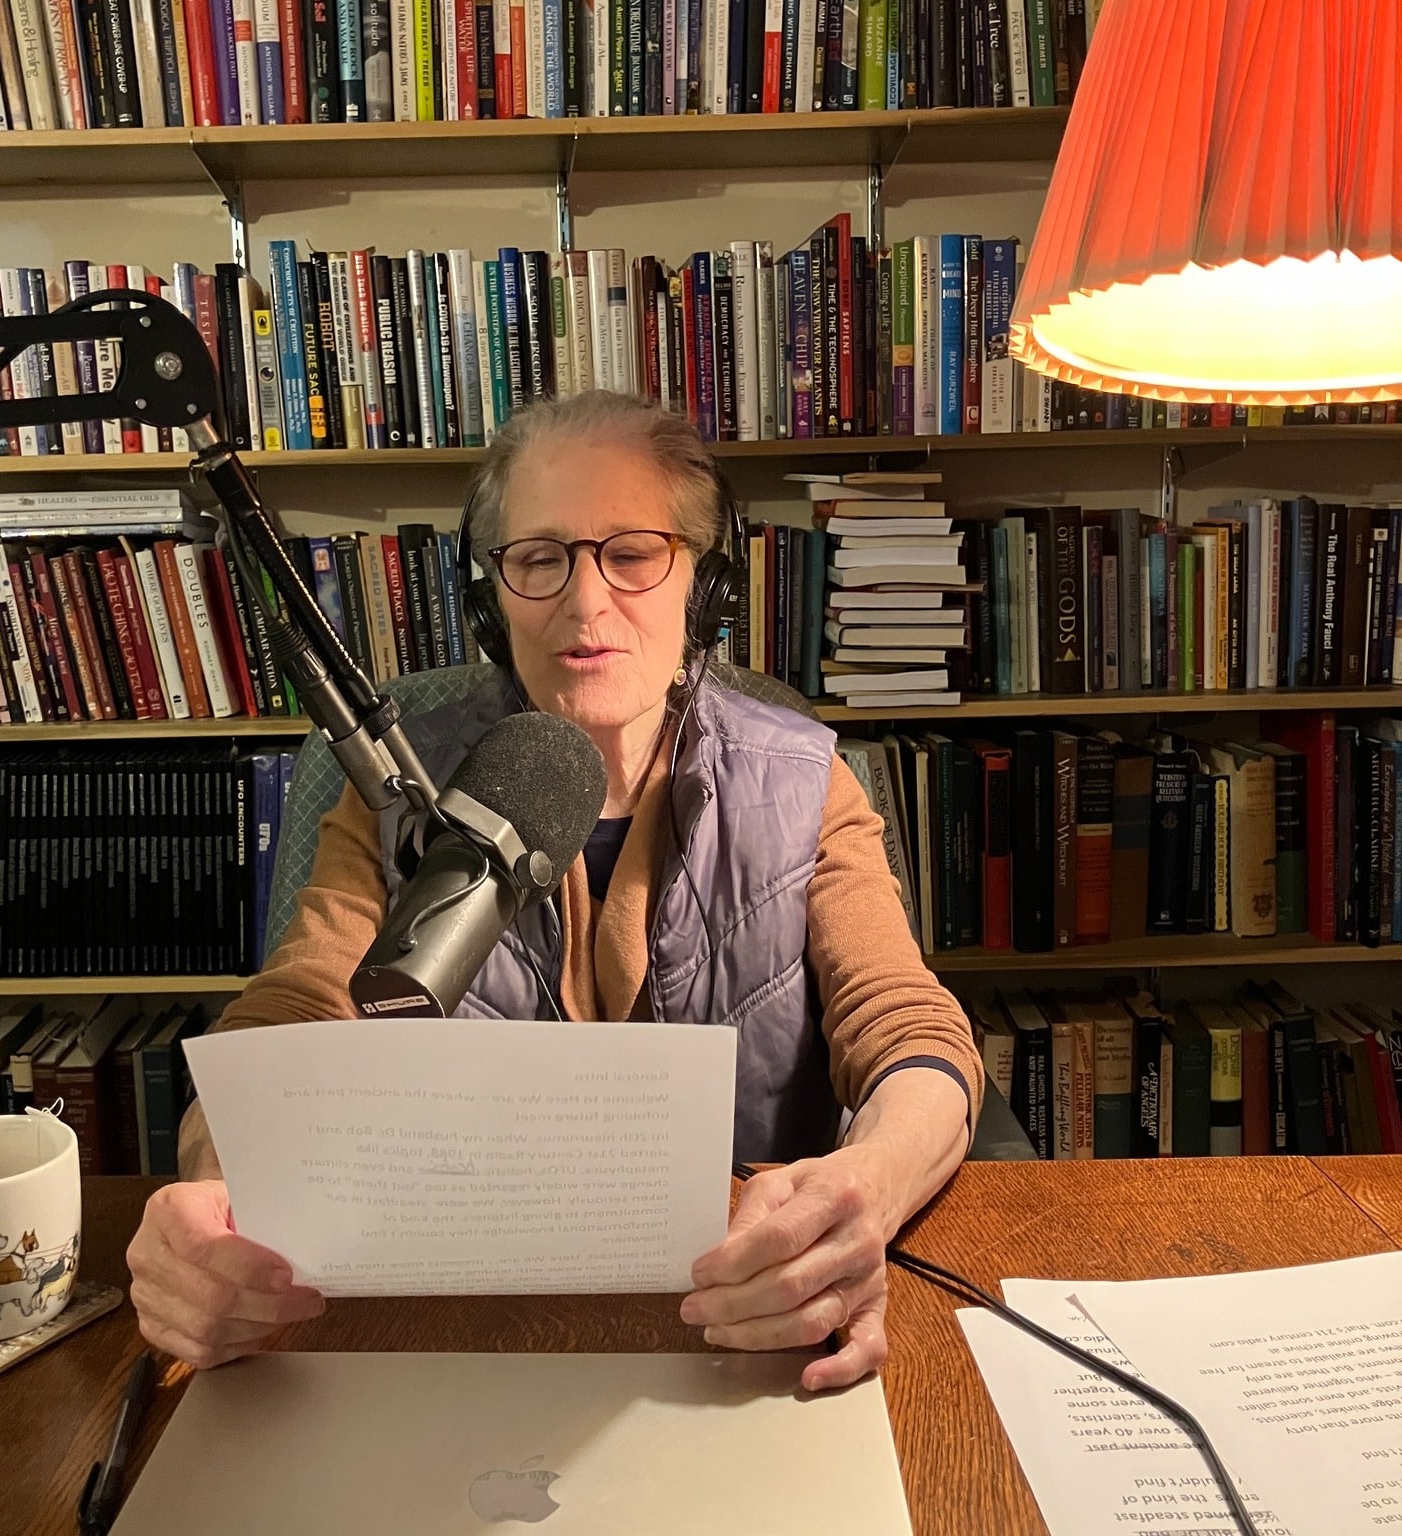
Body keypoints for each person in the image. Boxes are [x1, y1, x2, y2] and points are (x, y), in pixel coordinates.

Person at [127, 389, 983, 1391]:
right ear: (493, 599)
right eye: (540, 558)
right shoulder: (397, 793)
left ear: (702, 587)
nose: (586, 607)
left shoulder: (803, 781)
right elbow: (290, 1017)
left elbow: (910, 1027)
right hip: (453, 1345)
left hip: (742, 1335)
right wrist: (210, 1192)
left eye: (631, 552)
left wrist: (861, 1192)